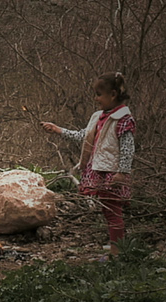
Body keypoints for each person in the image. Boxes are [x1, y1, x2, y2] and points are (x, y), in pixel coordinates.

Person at [41, 72, 136, 257]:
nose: (96, 98)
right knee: (108, 211)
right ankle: (116, 246)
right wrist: (58, 130)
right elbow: (83, 136)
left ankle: (118, 252)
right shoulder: (99, 117)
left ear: (113, 95)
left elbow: (127, 149)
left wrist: (122, 172)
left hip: (111, 172)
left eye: (99, 94)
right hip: (101, 170)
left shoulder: (123, 119)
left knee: (113, 211)